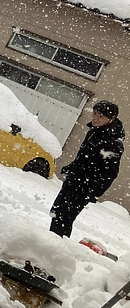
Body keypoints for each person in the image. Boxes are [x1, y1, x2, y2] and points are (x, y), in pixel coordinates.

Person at [49, 100, 124, 238]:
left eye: (100, 116)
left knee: (64, 218)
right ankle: (50, 243)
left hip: (85, 187)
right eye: (95, 113)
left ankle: (56, 246)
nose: (95, 118)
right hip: (74, 180)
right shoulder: (93, 132)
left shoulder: (113, 143)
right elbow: (85, 156)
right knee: (56, 212)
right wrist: (72, 167)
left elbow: (110, 173)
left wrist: (94, 192)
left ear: (111, 119)